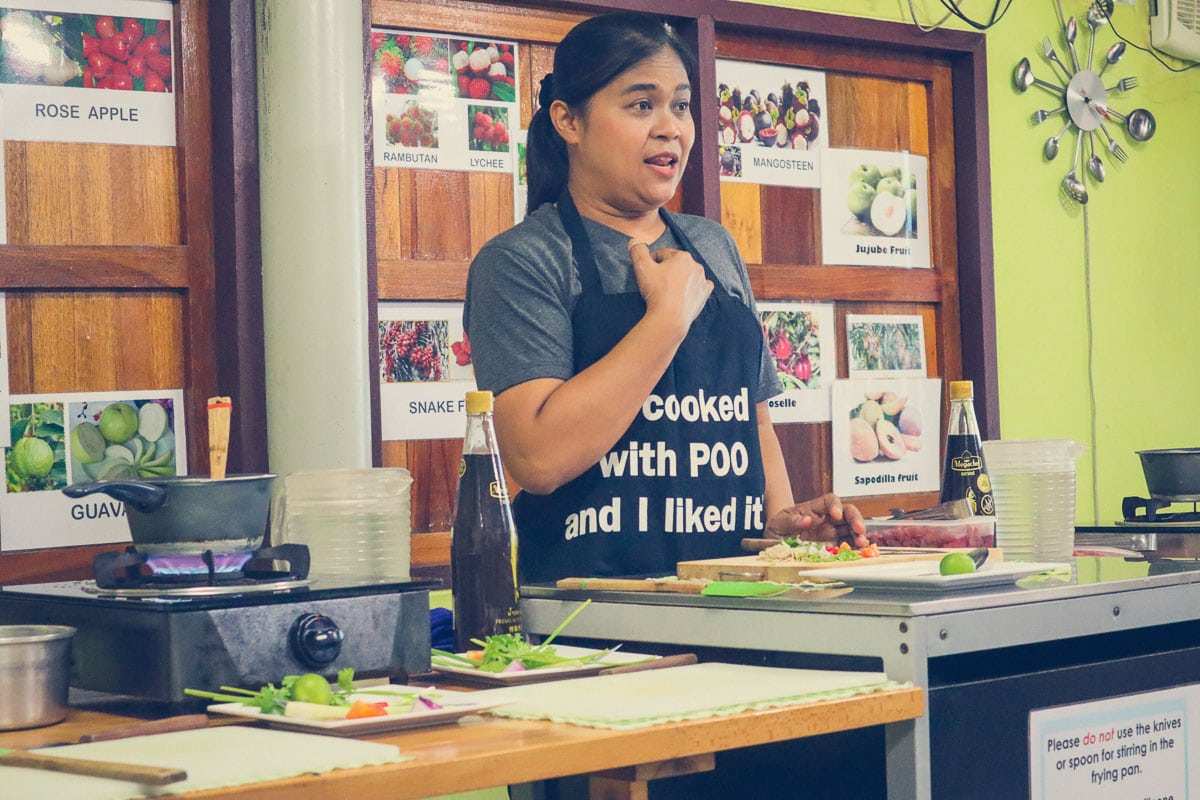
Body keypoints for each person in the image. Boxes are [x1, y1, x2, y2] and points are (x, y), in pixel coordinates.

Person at [464, 12, 865, 585]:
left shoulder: (712, 246)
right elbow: (537, 458)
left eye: (680, 105)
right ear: (568, 121)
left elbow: (753, 421)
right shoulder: (523, 260)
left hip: (731, 598)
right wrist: (666, 319)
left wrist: (779, 530)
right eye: (640, 104)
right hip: (591, 623)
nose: (670, 127)